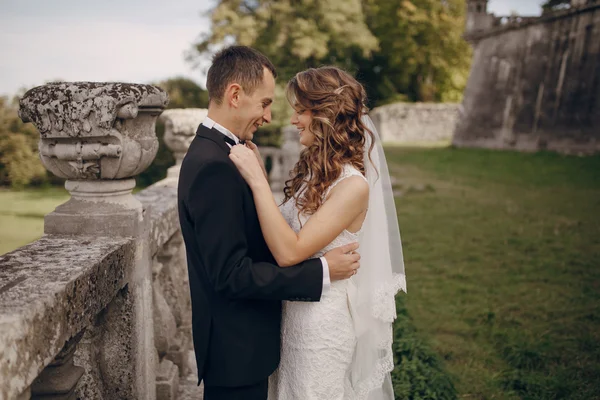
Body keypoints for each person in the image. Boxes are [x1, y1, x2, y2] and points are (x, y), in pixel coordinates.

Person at [177, 47, 361, 400]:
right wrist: (321, 272)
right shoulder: (215, 165)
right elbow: (231, 275)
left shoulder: (226, 153)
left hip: (256, 346)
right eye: (264, 103)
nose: (270, 116)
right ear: (234, 95)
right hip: (236, 353)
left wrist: (259, 179)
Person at [229, 66, 407, 400]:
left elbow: (290, 252)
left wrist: (257, 181)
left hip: (321, 328)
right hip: (293, 316)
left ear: (326, 115)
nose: (294, 120)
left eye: (301, 111)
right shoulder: (314, 173)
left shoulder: (353, 186)